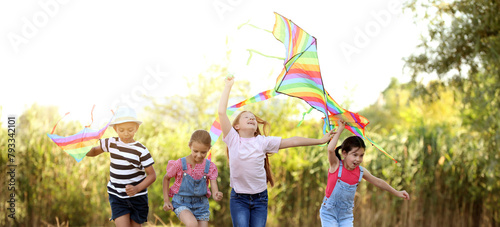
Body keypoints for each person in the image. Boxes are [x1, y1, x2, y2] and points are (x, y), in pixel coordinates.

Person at [218, 76, 335, 227]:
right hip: (239, 199)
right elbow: (221, 112)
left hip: (260, 198)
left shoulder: (262, 141)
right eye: (246, 117)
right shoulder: (233, 139)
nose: (251, 118)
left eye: (253, 118)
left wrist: (320, 140)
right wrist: (228, 86)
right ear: (236, 127)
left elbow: (293, 141)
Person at [319, 120, 410, 226]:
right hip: (329, 213)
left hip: (345, 216)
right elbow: (330, 149)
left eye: (361, 155)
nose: (358, 159)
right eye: (354, 154)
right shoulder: (335, 165)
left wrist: (397, 192)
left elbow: (378, 182)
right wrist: (340, 129)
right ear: (344, 153)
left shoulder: (360, 171)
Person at [86, 106, 156, 227]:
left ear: (136, 128)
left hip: (137, 197)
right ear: (115, 129)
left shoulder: (141, 150)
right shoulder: (111, 143)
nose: (126, 133)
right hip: (117, 195)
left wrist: (137, 189)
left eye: (130, 129)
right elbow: (93, 152)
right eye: (122, 130)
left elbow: (152, 175)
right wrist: (80, 149)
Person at [162, 129, 224, 227]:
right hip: (182, 202)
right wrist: (166, 200)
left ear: (209, 148)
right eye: (195, 151)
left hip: (201, 205)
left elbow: (213, 184)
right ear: (190, 145)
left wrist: (216, 194)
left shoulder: (210, 167)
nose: (199, 155)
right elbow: (166, 178)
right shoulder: (180, 164)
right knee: (192, 224)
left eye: (203, 152)